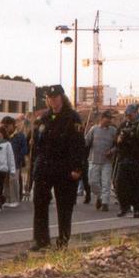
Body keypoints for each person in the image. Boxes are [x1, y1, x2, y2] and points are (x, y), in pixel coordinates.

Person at [29, 85, 84, 250]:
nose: (53, 100)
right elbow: (37, 145)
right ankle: (41, 240)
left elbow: (79, 145)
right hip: (45, 166)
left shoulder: (72, 118)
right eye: (50, 98)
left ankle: (63, 240)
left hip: (64, 166)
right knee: (39, 203)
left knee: (64, 206)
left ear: (62, 98)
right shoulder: (44, 118)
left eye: (56, 97)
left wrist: (77, 168)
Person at [84, 111, 117, 212]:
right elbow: (86, 142)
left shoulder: (113, 131)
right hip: (94, 160)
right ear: (102, 118)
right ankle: (100, 196)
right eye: (108, 118)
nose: (110, 121)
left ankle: (105, 203)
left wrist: (112, 151)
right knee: (92, 182)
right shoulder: (94, 129)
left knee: (106, 182)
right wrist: (82, 138)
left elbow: (118, 145)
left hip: (107, 161)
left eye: (111, 119)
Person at [0, 124, 17, 210]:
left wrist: (12, 169)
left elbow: (10, 157)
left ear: (1, 133)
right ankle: (2, 198)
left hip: (2, 168)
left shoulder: (7, 144)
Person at [7, 117, 28, 207]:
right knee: (7, 181)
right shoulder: (6, 135)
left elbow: (24, 149)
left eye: (8, 126)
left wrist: (19, 157)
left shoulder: (20, 135)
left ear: (12, 125)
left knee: (14, 180)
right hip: (6, 162)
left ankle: (15, 199)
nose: (7, 128)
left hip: (16, 162)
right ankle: (8, 199)